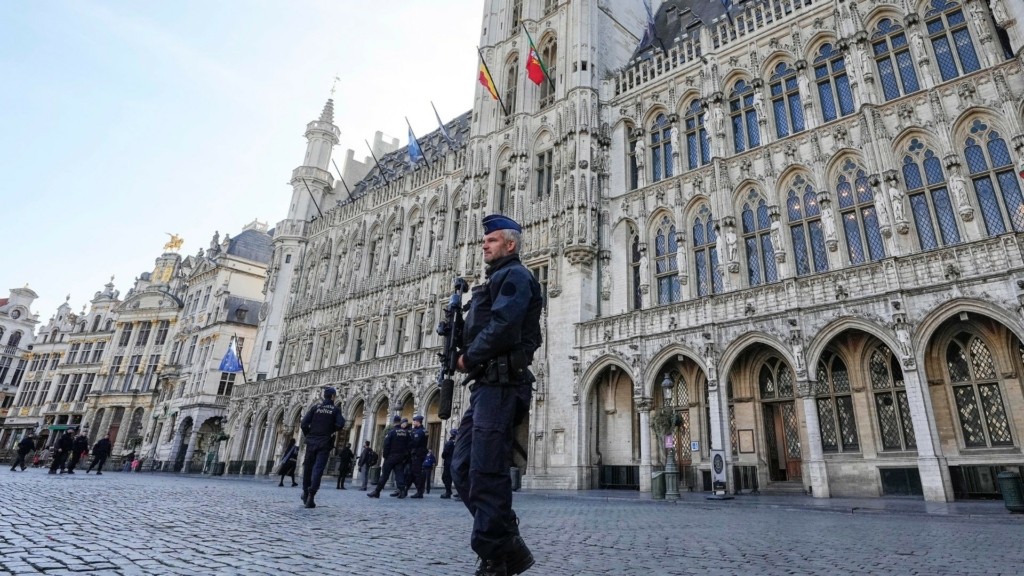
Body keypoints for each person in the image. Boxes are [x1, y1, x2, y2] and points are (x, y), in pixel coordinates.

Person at [453, 214, 542, 576]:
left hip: (504, 385)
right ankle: (508, 541)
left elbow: (505, 326)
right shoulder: (494, 280)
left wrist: (468, 356)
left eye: (490, 240)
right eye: (483, 240)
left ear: (510, 244)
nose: (484, 245)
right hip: (485, 387)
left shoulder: (517, 276)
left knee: (488, 471)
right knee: (461, 468)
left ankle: (495, 558)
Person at [300, 386, 346, 509]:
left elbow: (303, 423)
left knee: (308, 468)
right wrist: (331, 429)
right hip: (325, 442)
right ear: (333, 397)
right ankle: (311, 494)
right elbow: (341, 424)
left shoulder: (316, 408)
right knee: (318, 469)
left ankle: (305, 493)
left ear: (324, 396)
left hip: (311, 441)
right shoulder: (335, 410)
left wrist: (309, 435)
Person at [367, 415, 412, 499]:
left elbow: (386, 445)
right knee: (399, 474)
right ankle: (402, 491)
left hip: (391, 457)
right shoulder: (406, 433)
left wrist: (385, 455)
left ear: (394, 422)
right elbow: (409, 445)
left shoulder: (391, 432)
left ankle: (377, 492)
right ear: (400, 422)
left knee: (384, 475)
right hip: (401, 457)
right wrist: (405, 455)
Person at [408, 415, 429, 498]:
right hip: (421, 453)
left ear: (418, 422)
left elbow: (415, 443)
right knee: (415, 472)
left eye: (414, 421)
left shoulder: (419, 432)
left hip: (417, 454)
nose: (413, 423)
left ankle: (419, 491)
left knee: (417, 473)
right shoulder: (424, 430)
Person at [440, 428, 457, 499]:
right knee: (456, 478)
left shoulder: (449, 443)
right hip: (456, 462)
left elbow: (444, 453)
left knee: (446, 477)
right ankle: (459, 492)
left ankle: (448, 492)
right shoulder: (458, 442)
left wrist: (444, 456)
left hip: (448, 462)